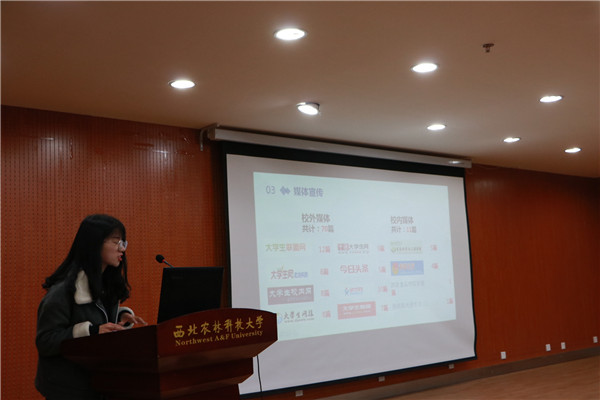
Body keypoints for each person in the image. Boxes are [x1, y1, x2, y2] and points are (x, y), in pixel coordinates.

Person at [35, 214, 146, 400]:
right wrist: (91, 331)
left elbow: (92, 316)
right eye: (116, 242)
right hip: (68, 389)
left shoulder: (106, 282)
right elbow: (45, 341)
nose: (122, 249)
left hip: (98, 384)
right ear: (95, 243)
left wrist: (119, 317)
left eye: (123, 243)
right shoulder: (63, 291)